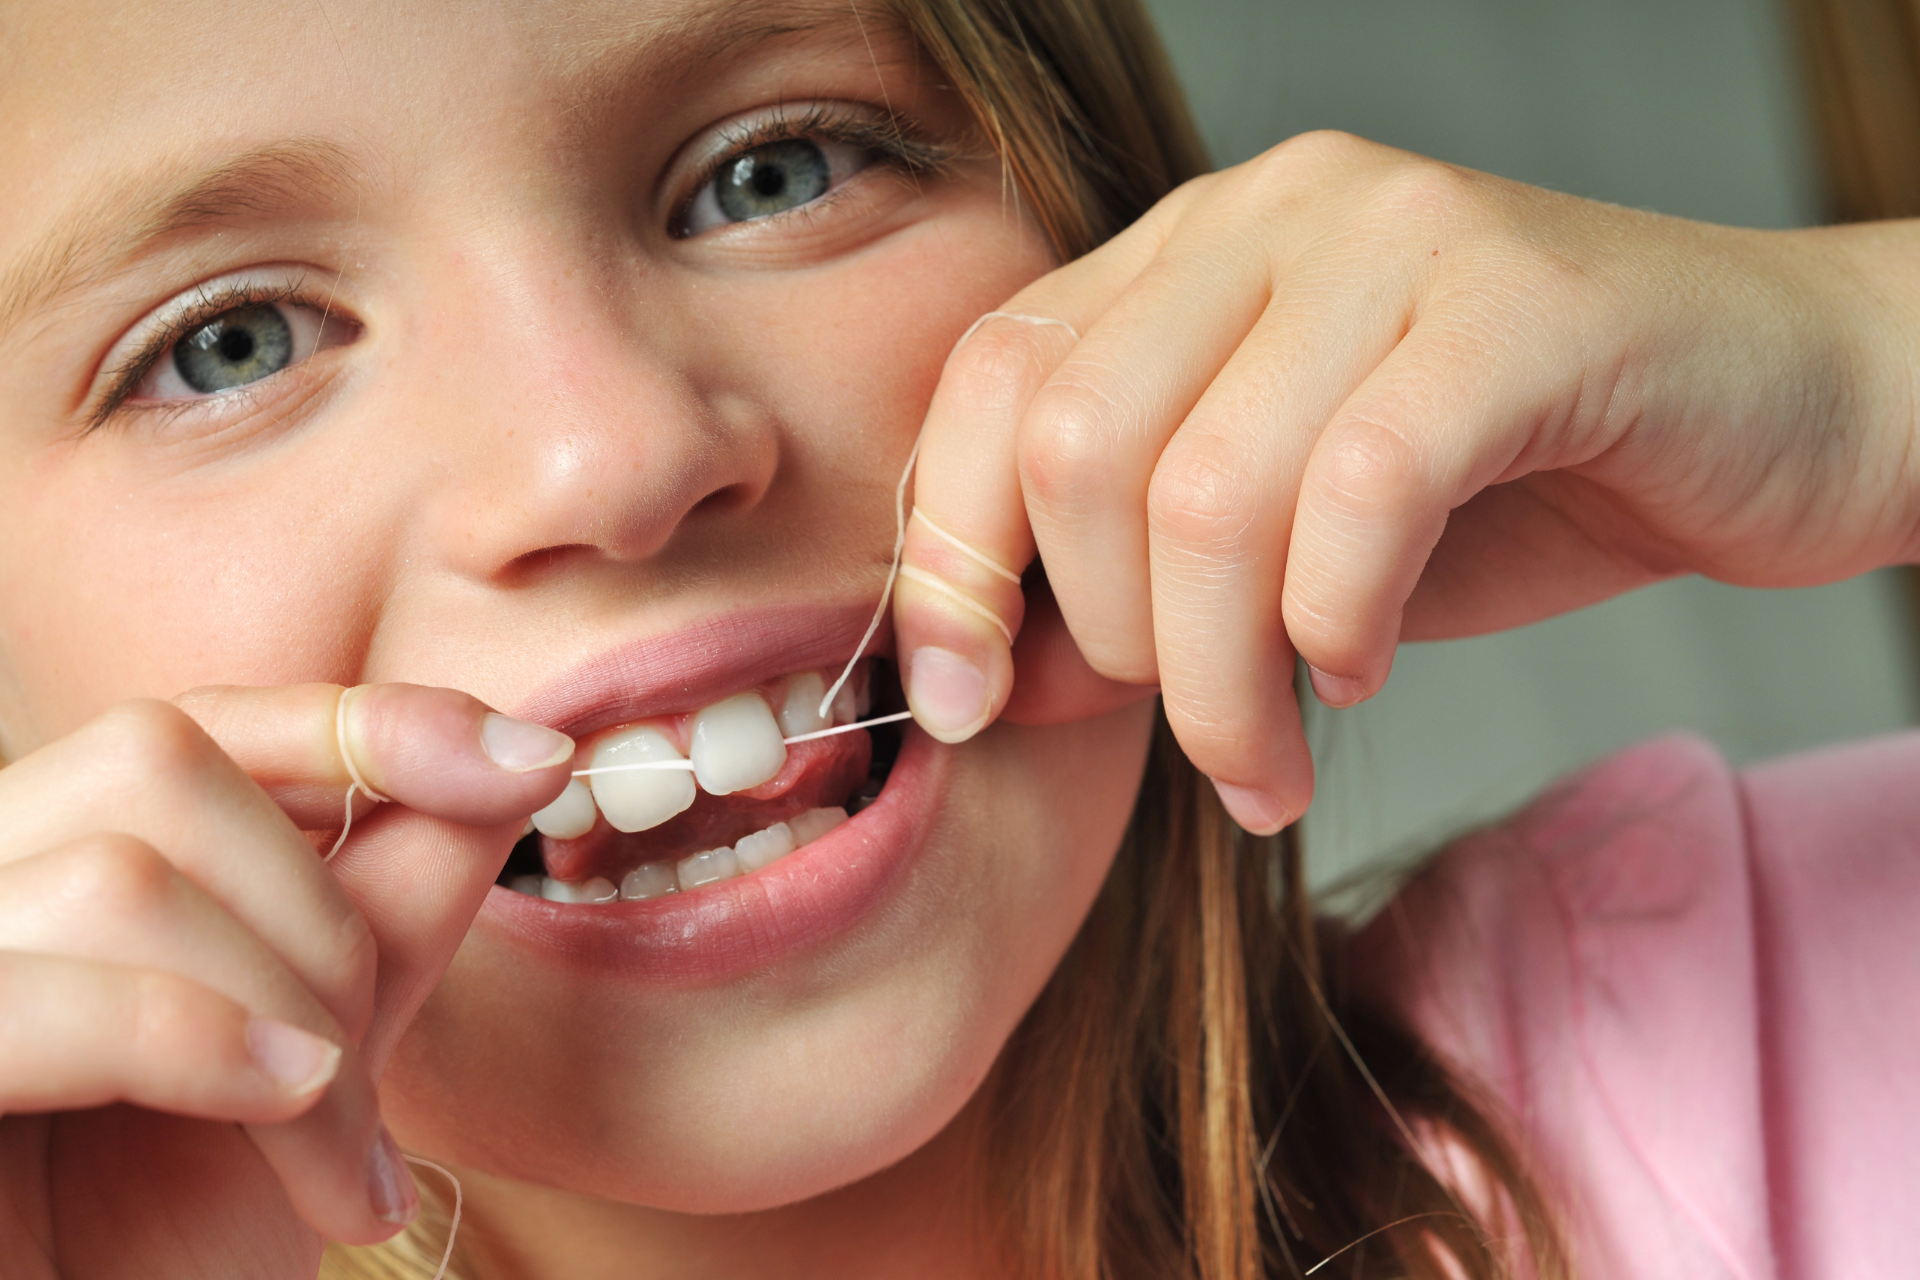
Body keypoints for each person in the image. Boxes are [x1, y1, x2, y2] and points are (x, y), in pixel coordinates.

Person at [0, 1, 1914, 1277]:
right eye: (225, 346)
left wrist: (1861, 369)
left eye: (775, 170)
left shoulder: (1761, 1023)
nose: (615, 451)